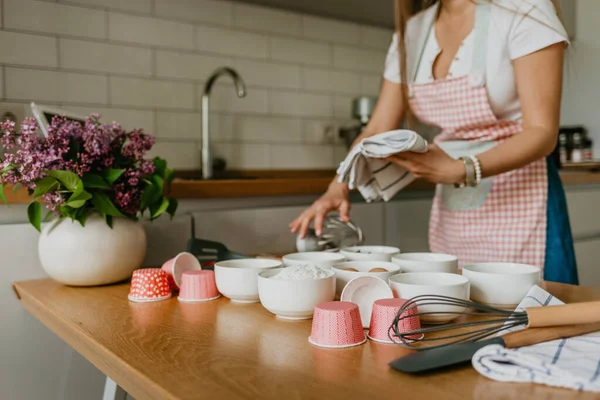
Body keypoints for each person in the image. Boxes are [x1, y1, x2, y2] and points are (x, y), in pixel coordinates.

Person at [290, 0, 578, 284]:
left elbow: (541, 132)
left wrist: (463, 169)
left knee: (536, 317)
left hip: (525, 203)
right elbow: (377, 128)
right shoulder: (413, 31)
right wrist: (336, 187)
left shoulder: (524, 8)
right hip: (454, 207)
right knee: (461, 314)